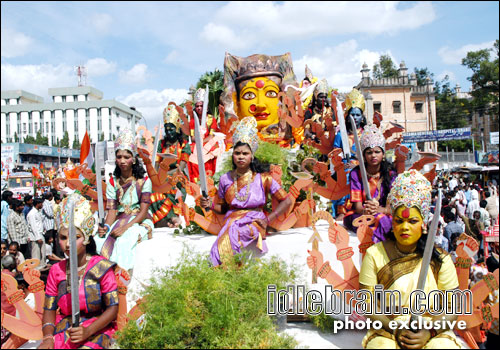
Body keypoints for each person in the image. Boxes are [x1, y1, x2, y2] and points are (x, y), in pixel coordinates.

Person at [359, 169, 460, 348]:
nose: (405, 227)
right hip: (388, 329)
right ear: (393, 223)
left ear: (423, 224)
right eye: (399, 221)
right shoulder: (375, 255)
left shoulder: (441, 259)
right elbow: (368, 305)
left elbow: (453, 308)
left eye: (412, 221)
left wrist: (430, 332)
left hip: (431, 329)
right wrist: (395, 329)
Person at [200, 117, 293, 266]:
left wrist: (268, 219)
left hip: (255, 221)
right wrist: (210, 205)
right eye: (237, 153)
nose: (241, 157)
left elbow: (287, 201)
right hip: (231, 221)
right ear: (233, 156)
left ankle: (227, 273)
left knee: (232, 235)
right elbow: (223, 208)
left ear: (252, 156)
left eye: (245, 153)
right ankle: (227, 276)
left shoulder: (264, 179)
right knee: (224, 239)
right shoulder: (225, 179)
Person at [38, 193, 118, 349]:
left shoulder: (101, 267)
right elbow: (49, 309)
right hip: (66, 329)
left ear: (86, 239)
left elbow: (113, 309)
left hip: (98, 329)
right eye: (62, 238)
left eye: (75, 237)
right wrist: (48, 338)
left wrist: (88, 331)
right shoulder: (56, 270)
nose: (68, 244)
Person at [94, 129, 154, 272]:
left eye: (126, 157)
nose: (122, 160)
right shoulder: (112, 182)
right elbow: (112, 210)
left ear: (133, 159)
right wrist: (106, 228)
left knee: (124, 241)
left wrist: (125, 228)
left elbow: (144, 211)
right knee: (98, 239)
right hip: (119, 219)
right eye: (119, 156)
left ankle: (121, 278)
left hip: (139, 220)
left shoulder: (144, 181)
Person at [343, 124, 396, 243]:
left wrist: (380, 210)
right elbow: (357, 207)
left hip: (384, 213)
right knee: (368, 221)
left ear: (382, 154)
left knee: (384, 220)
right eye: (369, 152)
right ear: (364, 155)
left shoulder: (391, 174)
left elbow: (394, 205)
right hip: (362, 213)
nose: (373, 156)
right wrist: (369, 210)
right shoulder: (356, 173)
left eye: (377, 152)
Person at [27, 197, 47, 271]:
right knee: (36, 253)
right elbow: (33, 227)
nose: (42, 205)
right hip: (35, 236)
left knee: (42, 252)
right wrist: (38, 237)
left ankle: (42, 265)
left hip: (40, 234)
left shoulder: (38, 212)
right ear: (37, 204)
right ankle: (36, 268)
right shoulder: (32, 213)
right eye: (41, 203)